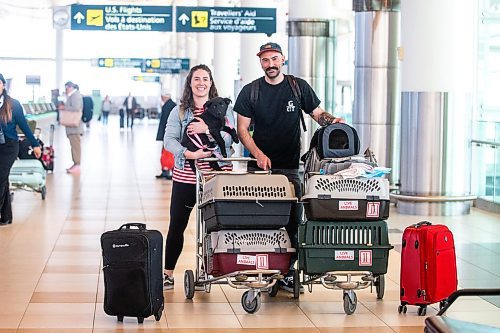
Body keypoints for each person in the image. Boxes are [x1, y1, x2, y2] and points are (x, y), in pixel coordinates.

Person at [233, 42, 344, 292]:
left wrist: (332, 121)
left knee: (293, 221)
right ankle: (264, 267)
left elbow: (317, 114)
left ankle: (288, 271)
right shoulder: (251, 91)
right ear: (260, 62)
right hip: (259, 169)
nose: (270, 64)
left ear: (283, 59)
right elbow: (242, 130)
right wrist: (259, 154)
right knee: (261, 219)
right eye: (265, 60)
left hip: (290, 167)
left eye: (274, 59)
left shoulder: (297, 87)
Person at [162, 64, 236, 289]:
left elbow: (230, 139)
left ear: (211, 82)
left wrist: (206, 130)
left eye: (205, 78)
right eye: (197, 79)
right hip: (186, 176)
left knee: (212, 226)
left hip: (216, 175)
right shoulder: (180, 111)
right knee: (177, 224)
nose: (201, 82)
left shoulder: (224, 109)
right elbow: (169, 140)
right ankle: (167, 273)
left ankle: (206, 271)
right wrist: (189, 153)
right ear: (190, 83)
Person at [0, 73, 42, 225]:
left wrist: (35, 144)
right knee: (3, 179)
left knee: (0, 177)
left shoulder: (13, 104)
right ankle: (5, 217)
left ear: (3, 85)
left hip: (10, 146)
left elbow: (24, 127)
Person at [59, 81, 83, 174]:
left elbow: (76, 108)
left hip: (74, 127)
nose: (66, 90)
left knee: (76, 146)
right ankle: (75, 163)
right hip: (72, 127)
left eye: (66, 88)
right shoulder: (72, 96)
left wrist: (64, 107)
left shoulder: (75, 96)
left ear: (70, 87)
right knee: (73, 146)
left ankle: (77, 164)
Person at [156, 92, 177, 179]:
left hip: (168, 133)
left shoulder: (170, 106)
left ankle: (169, 171)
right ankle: (165, 171)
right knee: (165, 153)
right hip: (168, 133)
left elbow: (167, 122)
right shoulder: (170, 105)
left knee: (168, 153)